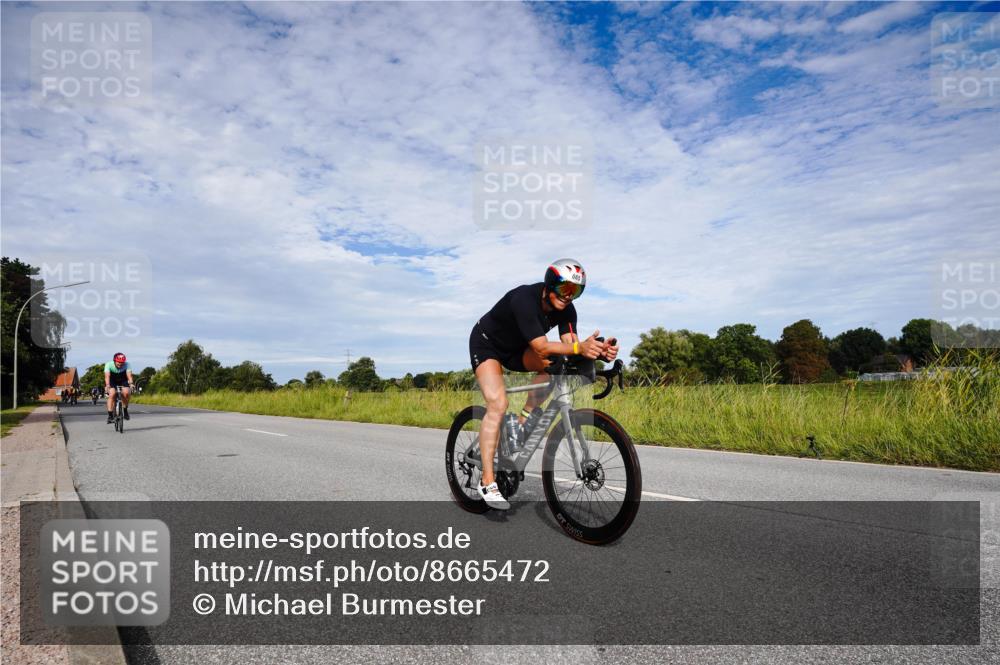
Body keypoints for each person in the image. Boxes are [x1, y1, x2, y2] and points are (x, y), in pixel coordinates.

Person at [468, 259, 619, 509]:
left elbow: (571, 346)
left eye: (576, 291)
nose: (568, 296)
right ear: (550, 284)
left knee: (556, 364)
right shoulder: (524, 300)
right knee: (498, 403)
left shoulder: (568, 310)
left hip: (517, 349)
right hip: (487, 345)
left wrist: (599, 352)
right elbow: (540, 346)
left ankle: (523, 420)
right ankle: (487, 480)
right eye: (564, 289)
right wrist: (578, 347)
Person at [104, 352, 135, 423]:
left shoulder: (127, 364)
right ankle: (110, 415)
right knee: (112, 393)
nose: (120, 364)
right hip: (112, 380)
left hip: (123, 379)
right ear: (114, 360)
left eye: (122, 362)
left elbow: (129, 376)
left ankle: (125, 410)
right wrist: (108, 385)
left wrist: (131, 383)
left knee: (126, 393)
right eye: (118, 362)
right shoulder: (108, 364)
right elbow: (107, 376)